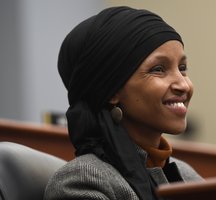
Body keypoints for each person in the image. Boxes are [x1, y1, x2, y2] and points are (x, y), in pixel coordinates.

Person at [44, 6, 203, 200]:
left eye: (182, 68)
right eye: (159, 69)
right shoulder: (81, 181)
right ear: (111, 91)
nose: (183, 84)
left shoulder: (186, 176)